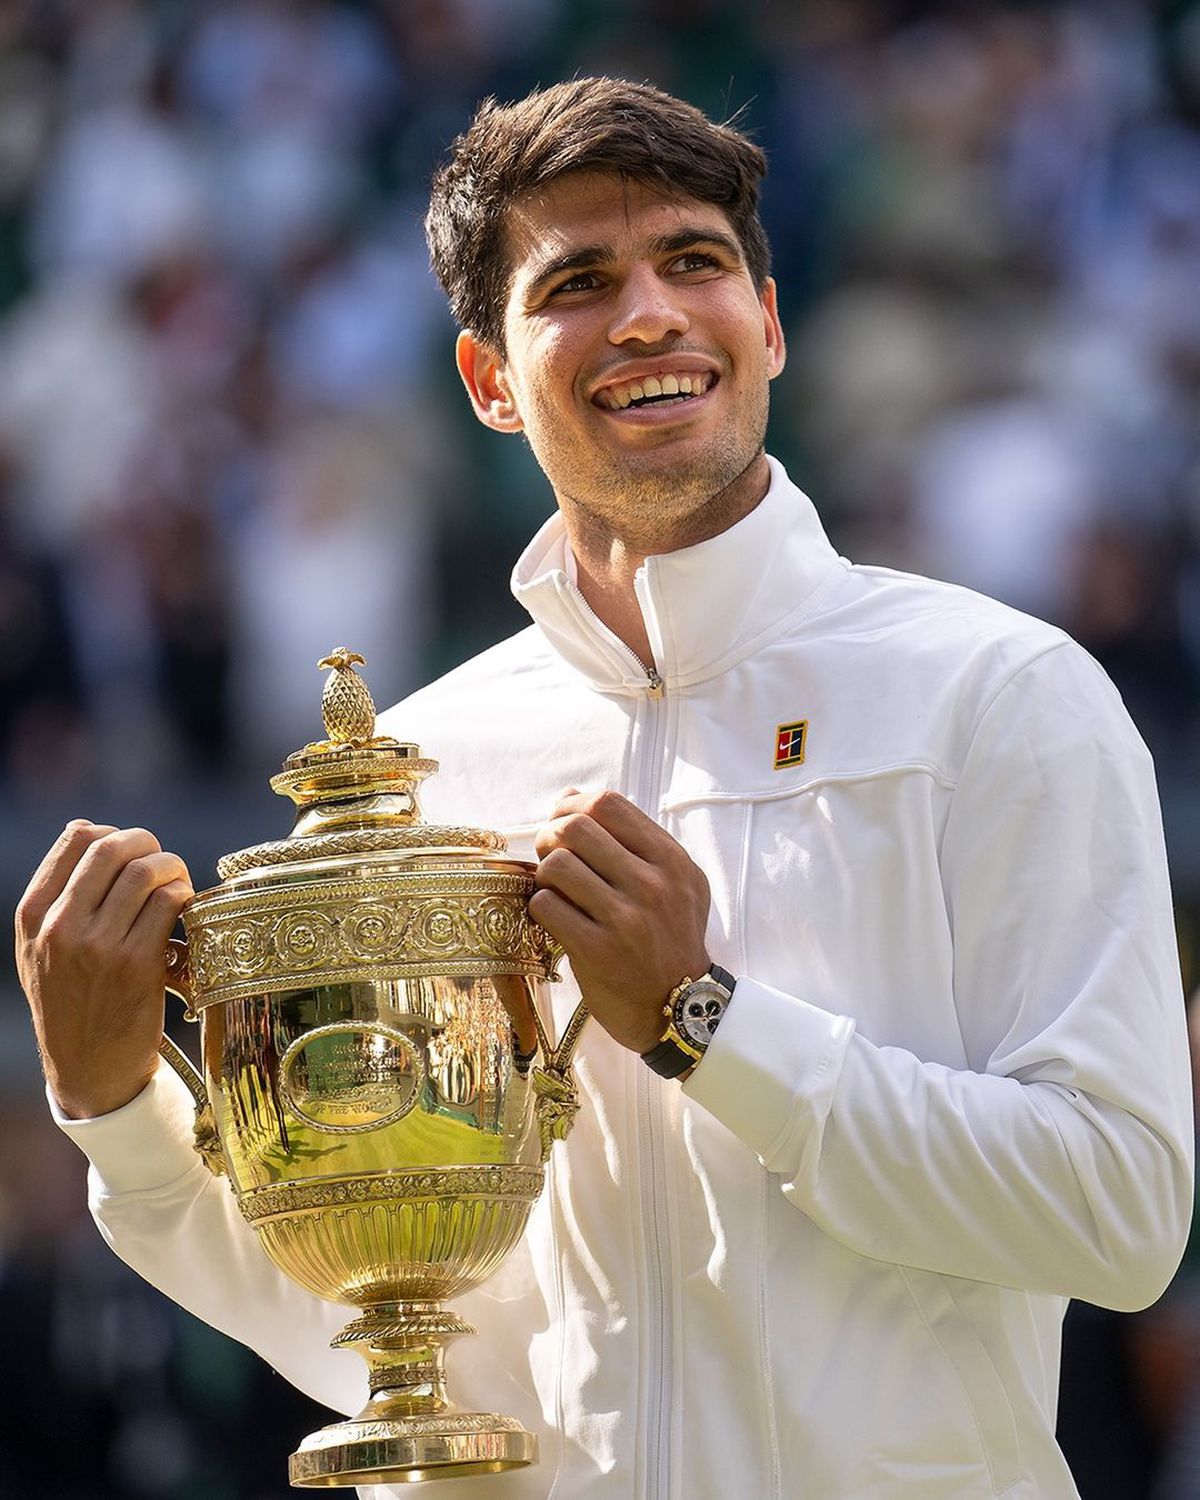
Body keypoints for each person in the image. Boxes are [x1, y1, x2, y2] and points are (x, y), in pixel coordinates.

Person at [15, 78, 1195, 1500]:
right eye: (577, 281)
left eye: (693, 261)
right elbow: (378, 1327)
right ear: (489, 381)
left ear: (768, 321)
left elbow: (1121, 1215)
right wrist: (112, 1100)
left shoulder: (1001, 694)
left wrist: (708, 1023)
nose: (647, 315)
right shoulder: (421, 770)